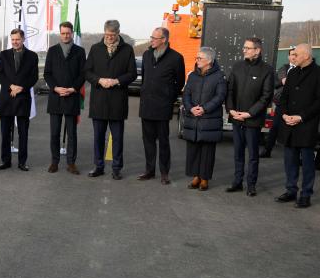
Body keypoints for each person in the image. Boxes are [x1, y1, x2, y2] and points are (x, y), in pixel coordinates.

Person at [275, 44, 320, 208]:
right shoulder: (292, 73)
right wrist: (285, 114)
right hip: (289, 124)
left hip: (306, 125)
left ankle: (306, 194)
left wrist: (300, 117)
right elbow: (283, 97)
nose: (293, 57)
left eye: (296, 55)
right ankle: (291, 190)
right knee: (289, 161)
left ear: (306, 56)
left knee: (307, 163)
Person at [84, 20, 137, 180]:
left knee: (117, 138)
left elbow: (132, 73)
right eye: (107, 35)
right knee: (98, 137)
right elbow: (87, 71)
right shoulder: (95, 48)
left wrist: (116, 81)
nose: (109, 38)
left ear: (118, 33)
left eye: (112, 35)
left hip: (117, 101)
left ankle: (116, 168)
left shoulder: (127, 49)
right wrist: (99, 80)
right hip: (98, 100)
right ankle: (98, 166)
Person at [225, 37, 274, 197]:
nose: (243, 50)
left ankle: (251, 185)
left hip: (252, 119)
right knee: (238, 153)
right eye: (244, 47)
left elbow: (266, 96)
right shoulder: (237, 66)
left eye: (247, 48)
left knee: (253, 155)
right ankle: (237, 182)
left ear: (257, 50)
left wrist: (249, 113)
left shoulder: (267, 70)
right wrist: (231, 110)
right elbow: (230, 90)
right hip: (236, 117)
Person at [137, 27, 185, 185]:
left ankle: (165, 172)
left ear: (163, 39)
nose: (151, 40)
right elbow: (144, 77)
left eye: (154, 38)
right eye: (151, 37)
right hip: (147, 105)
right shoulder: (146, 54)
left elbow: (180, 82)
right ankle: (149, 170)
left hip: (163, 106)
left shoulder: (176, 58)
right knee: (147, 141)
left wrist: (169, 95)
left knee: (163, 141)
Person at [43, 21, 86, 175]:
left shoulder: (80, 51)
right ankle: (55, 161)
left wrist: (73, 89)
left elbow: (83, 73)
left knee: (72, 133)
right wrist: (55, 87)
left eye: (68, 33)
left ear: (72, 33)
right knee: (54, 132)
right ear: (60, 33)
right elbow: (47, 73)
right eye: (63, 33)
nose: (66, 35)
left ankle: (71, 163)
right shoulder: (52, 51)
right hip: (56, 97)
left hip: (72, 96)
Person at [182, 47, 226, 191]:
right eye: (197, 58)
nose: (197, 60)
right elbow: (186, 94)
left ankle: (205, 178)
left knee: (207, 151)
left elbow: (220, 97)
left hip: (209, 119)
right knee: (193, 149)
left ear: (209, 61)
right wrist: (190, 108)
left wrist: (204, 108)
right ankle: (196, 176)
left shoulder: (219, 76)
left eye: (200, 58)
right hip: (193, 118)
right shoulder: (193, 75)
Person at [0, 28, 39, 171]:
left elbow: (34, 77)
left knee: (23, 133)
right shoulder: (4, 55)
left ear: (23, 39)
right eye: (12, 39)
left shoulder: (32, 56)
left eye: (17, 39)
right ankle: (5, 161)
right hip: (7, 98)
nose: (15, 42)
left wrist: (21, 88)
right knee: (5, 133)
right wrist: (11, 86)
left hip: (23, 98)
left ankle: (22, 162)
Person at [260, 48, 296, 158]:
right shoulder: (283, 69)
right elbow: (276, 83)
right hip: (282, 103)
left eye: (296, 55)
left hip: (295, 104)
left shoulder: (302, 70)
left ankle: (295, 155)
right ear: (288, 57)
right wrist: (282, 81)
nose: (294, 57)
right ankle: (267, 150)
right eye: (292, 55)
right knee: (274, 127)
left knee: (295, 130)